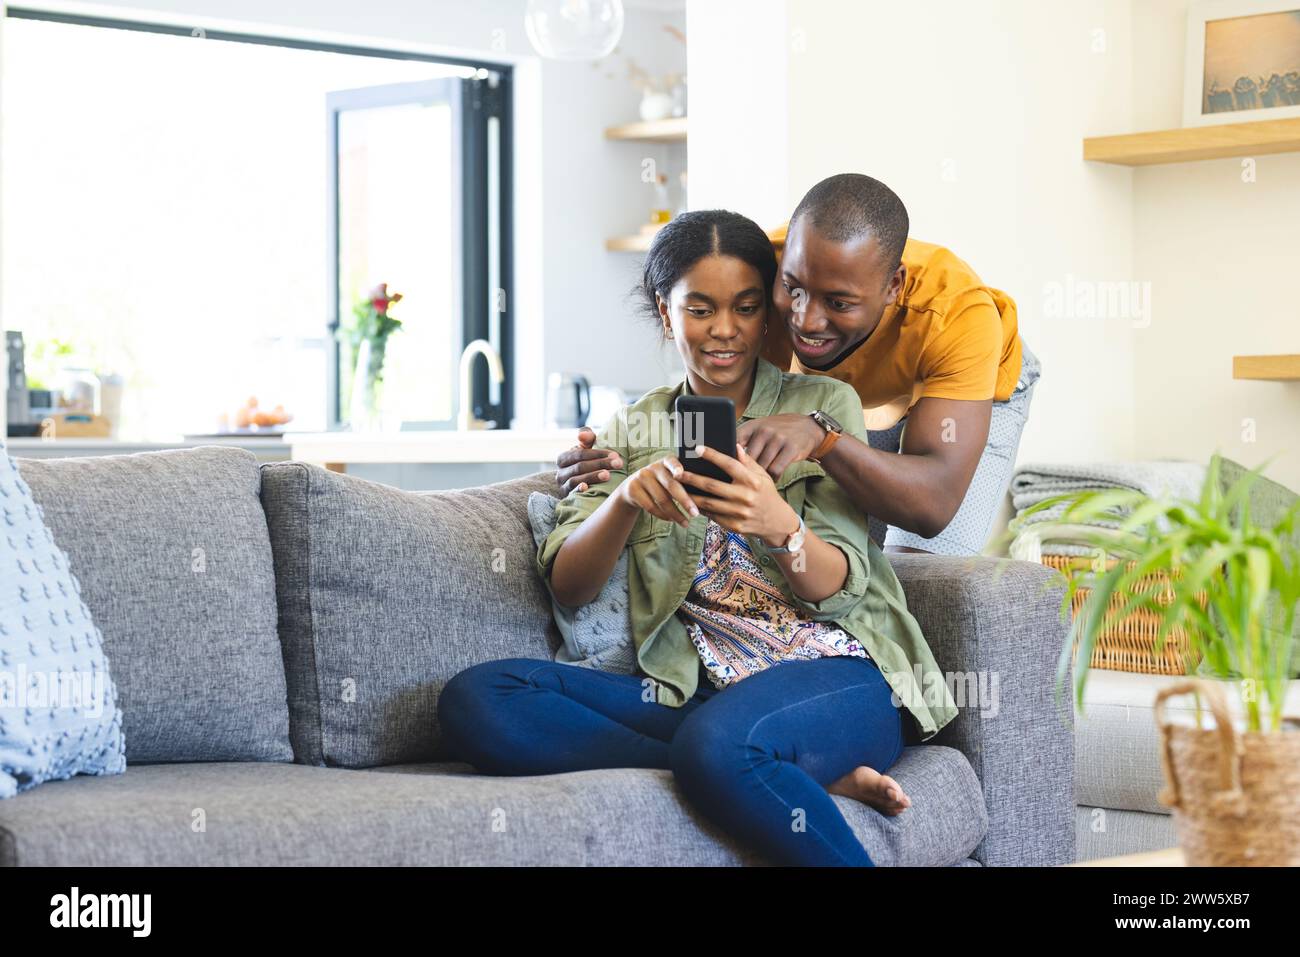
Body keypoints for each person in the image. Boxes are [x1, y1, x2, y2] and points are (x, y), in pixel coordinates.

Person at [437, 209, 958, 866]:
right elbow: (571, 585)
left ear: (767, 315)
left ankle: (753, 762)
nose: (724, 330)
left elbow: (839, 585)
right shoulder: (630, 429)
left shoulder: (823, 408)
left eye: (744, 307)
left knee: (718, 744)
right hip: (703, 688)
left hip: (840, 675)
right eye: (700, 308)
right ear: (665, 311)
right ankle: (781, 772)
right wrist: (624, 500)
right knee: (478, 699)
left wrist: (781, 524)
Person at [558, 173, 1041, 557]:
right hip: (842, 393)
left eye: (837, 301)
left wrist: (825, 437)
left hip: (968, 393)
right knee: (849, 548)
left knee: (915, 567)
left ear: (893, 286)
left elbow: (933, 505)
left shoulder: (959, 316)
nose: (804, 320)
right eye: (794, 288)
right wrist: (620, 455)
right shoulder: (760, 273)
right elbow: (709, 380)